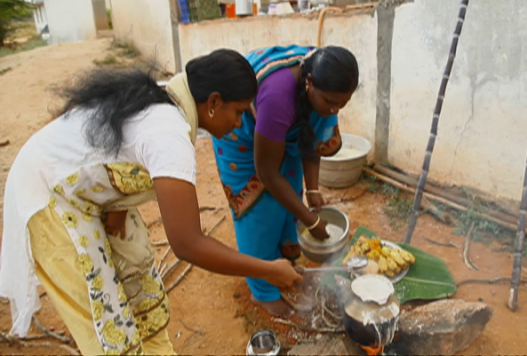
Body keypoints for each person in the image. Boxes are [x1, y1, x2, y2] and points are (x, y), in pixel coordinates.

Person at [0, 49, 303, 355]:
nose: (239, 124)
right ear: (213, 103)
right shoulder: (169, 134)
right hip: (49, 193)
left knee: (140, 285)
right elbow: (188, 244)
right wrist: (267, 270)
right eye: (238, 112)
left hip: (89, 191)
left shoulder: (171, 103)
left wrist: (117, 205)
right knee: (105, 318)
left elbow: (115, 151)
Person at [212, 45, 359, 317]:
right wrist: (312, 221)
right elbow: (266, 171)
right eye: (331, 102)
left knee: (292, 188)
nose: (335, 109)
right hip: (241, 139)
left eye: (343, 104)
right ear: (309, 83)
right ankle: (263, 290)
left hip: (281, 129)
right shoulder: (279, 96)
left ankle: (284, 262)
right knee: (260, 211)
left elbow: (312, 136)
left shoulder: (328, 83)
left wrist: (313, 190)